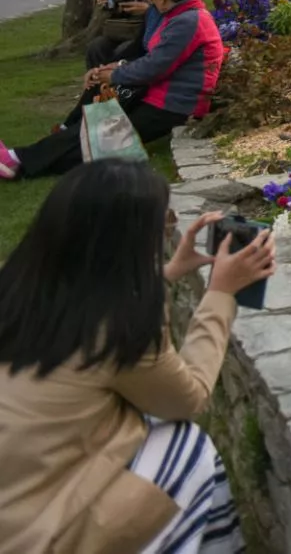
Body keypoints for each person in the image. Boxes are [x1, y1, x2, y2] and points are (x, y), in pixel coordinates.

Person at [0, 158, 276, 554]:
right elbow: (189, 398)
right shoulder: (121, 326)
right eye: (160, 223)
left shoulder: (16, 285)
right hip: (39, 536)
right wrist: (222, 294)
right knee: (188, 446)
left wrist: (167, 272)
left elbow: (82, 297)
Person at [2, 0, 224, 179]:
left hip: (172, 105)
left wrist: (115, 75)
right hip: (160, 95)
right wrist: (115, 67)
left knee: (102, 133)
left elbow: (154, 66)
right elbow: (154, 59)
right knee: (99, 129)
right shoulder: (183, 16)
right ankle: (21, 160)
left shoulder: (187, 21)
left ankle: (18, 161)